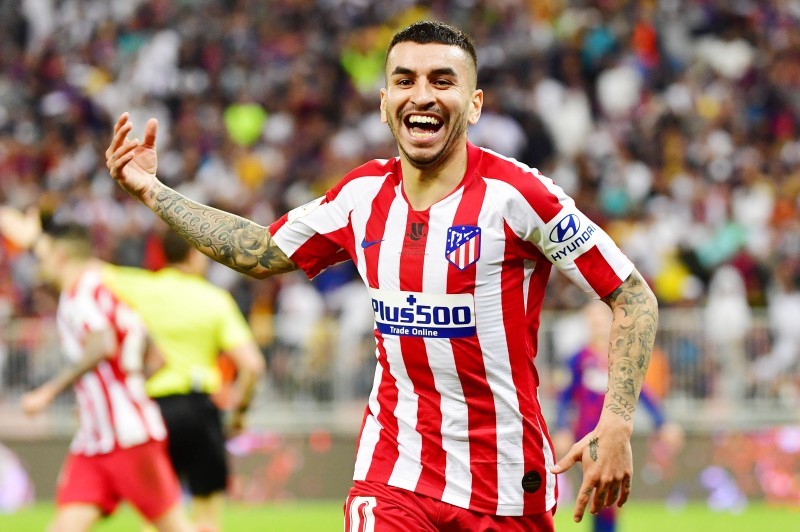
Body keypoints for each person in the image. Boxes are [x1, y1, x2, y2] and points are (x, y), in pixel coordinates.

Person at [106, 20, 659, 531]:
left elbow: (632, 296)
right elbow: (258, 250)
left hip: (505, 482)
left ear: (473, 105)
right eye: (405, 80)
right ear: (384, 103)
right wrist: (154, 191)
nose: (422, 95)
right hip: (394, 472)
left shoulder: (520, 196)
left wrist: (617, 422)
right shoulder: (360, 195)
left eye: (443, 81)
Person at [6, 219, 191, 532]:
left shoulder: (80, 294)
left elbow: (101, 343)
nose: (42, 265)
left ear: (61, 256)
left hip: (128, 438)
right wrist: (110, 392)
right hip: (95, 440)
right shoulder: (105, 290)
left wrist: (48, 392)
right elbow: (156, 358)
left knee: (175, 528)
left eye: (46, 256)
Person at [103, 229, 266, 532]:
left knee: (157, 518)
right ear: (194, 254)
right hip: (200, 410)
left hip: (152, 412)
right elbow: (253, 366)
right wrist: (239, 414)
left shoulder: (140, 288)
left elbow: (88, 270)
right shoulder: (215, 299)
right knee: (206, 518)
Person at [552, 300, 683, 532]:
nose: (598, 325)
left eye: (602, 319)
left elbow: (640, 393)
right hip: (587, 436)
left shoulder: (623, 359)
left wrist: (663, 423)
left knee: (604, 493)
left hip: (614, 436)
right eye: (593, 320)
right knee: (600, 491)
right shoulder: (579, 359)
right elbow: (565, 396)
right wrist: (561, 427)